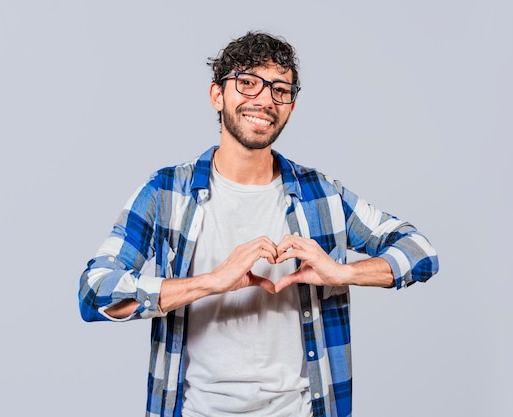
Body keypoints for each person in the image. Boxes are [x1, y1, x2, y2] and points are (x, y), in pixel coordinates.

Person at [79, 31, 439, 417]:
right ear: (217, 95)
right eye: (248, 83)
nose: (264, 99)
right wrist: (211, 282)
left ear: (291, 106)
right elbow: (95, 292)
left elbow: (420, 253)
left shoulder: (322, 195)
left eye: (279, 90)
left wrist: (341, 272)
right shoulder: (166, 193)